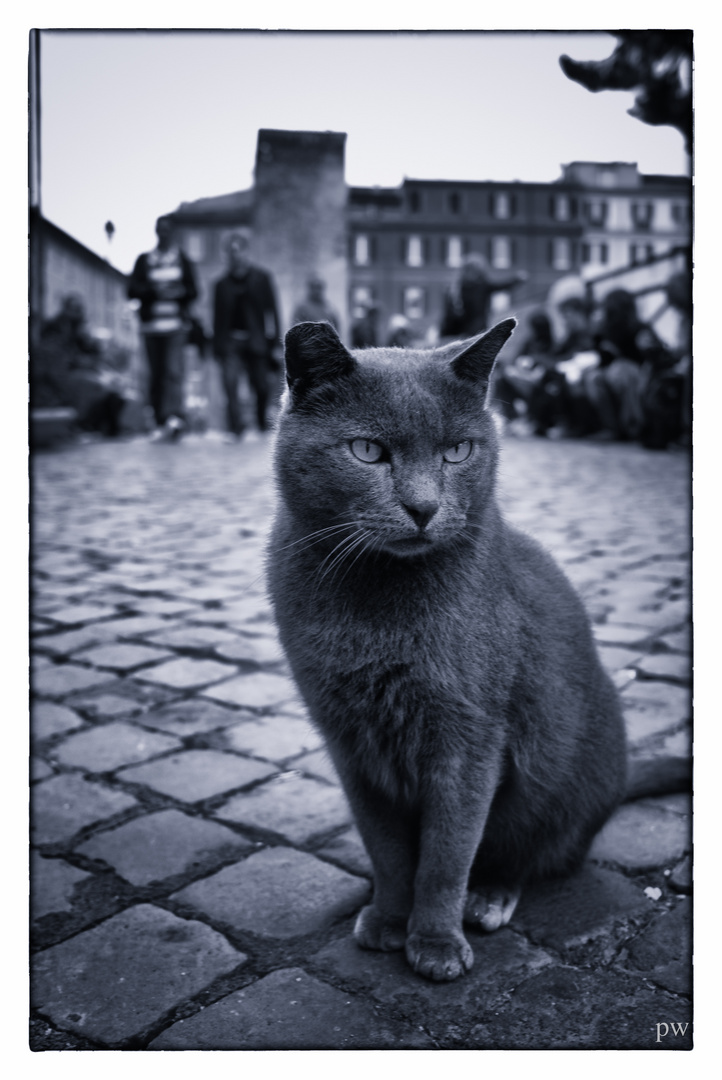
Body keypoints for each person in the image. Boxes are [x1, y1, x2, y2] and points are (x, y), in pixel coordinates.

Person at [128, 216, 198, 440]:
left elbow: (194, 290)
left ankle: (174, 418)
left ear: (173, 232)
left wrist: (179, 293)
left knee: (173, 372)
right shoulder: (145, 260)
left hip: (175, 326)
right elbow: (131, 290)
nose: (164, 234)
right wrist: (155, 292)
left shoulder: (182, 260)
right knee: (155, 374)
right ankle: (159, 420)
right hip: (150, 327)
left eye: (168, 230)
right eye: (161, 230)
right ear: (156, 232)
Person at [585, 289, 677, 443]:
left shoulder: (639, 328)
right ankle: (612, 428)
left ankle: (634, 426)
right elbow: (602, 360)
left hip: (641, 375)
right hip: (616, 374)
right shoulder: (605, 330)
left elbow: (655, 355)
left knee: (622, 370)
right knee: (594, 377)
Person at [212, 230, 281, 437]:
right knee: (230, 385)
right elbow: (216, 318)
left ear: (246, 251)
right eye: (230, 251)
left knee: (261, 386)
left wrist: (276, 343)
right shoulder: (221, 284)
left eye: (238, 250)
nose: (235, 255)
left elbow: (273, 312)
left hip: (256, 341)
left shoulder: (262, 278)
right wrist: (216, 347)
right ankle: (236, 429)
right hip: (230, 342)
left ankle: (260, 423)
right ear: (226, 254)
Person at [31, 294, 127, 437]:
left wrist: (90, 342)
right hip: (59, 374)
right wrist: (81, 360)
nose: (78, 312)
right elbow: (57, 359)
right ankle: (80, 424)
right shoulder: (56, 328)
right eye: (75, 308)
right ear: (66, 309)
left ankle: (101, 426)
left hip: (74, 370)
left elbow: (91, 352)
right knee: (94, 386)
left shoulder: (79, 329)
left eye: (79, 309)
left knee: (114, 386)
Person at [440, 253, 528, 340]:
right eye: (471, 271)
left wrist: (516, 280)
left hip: (477, 327)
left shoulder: (482, 285)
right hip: (460, 329)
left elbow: (501, 286)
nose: (473, 274)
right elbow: (449, 314)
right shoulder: (456, 288)